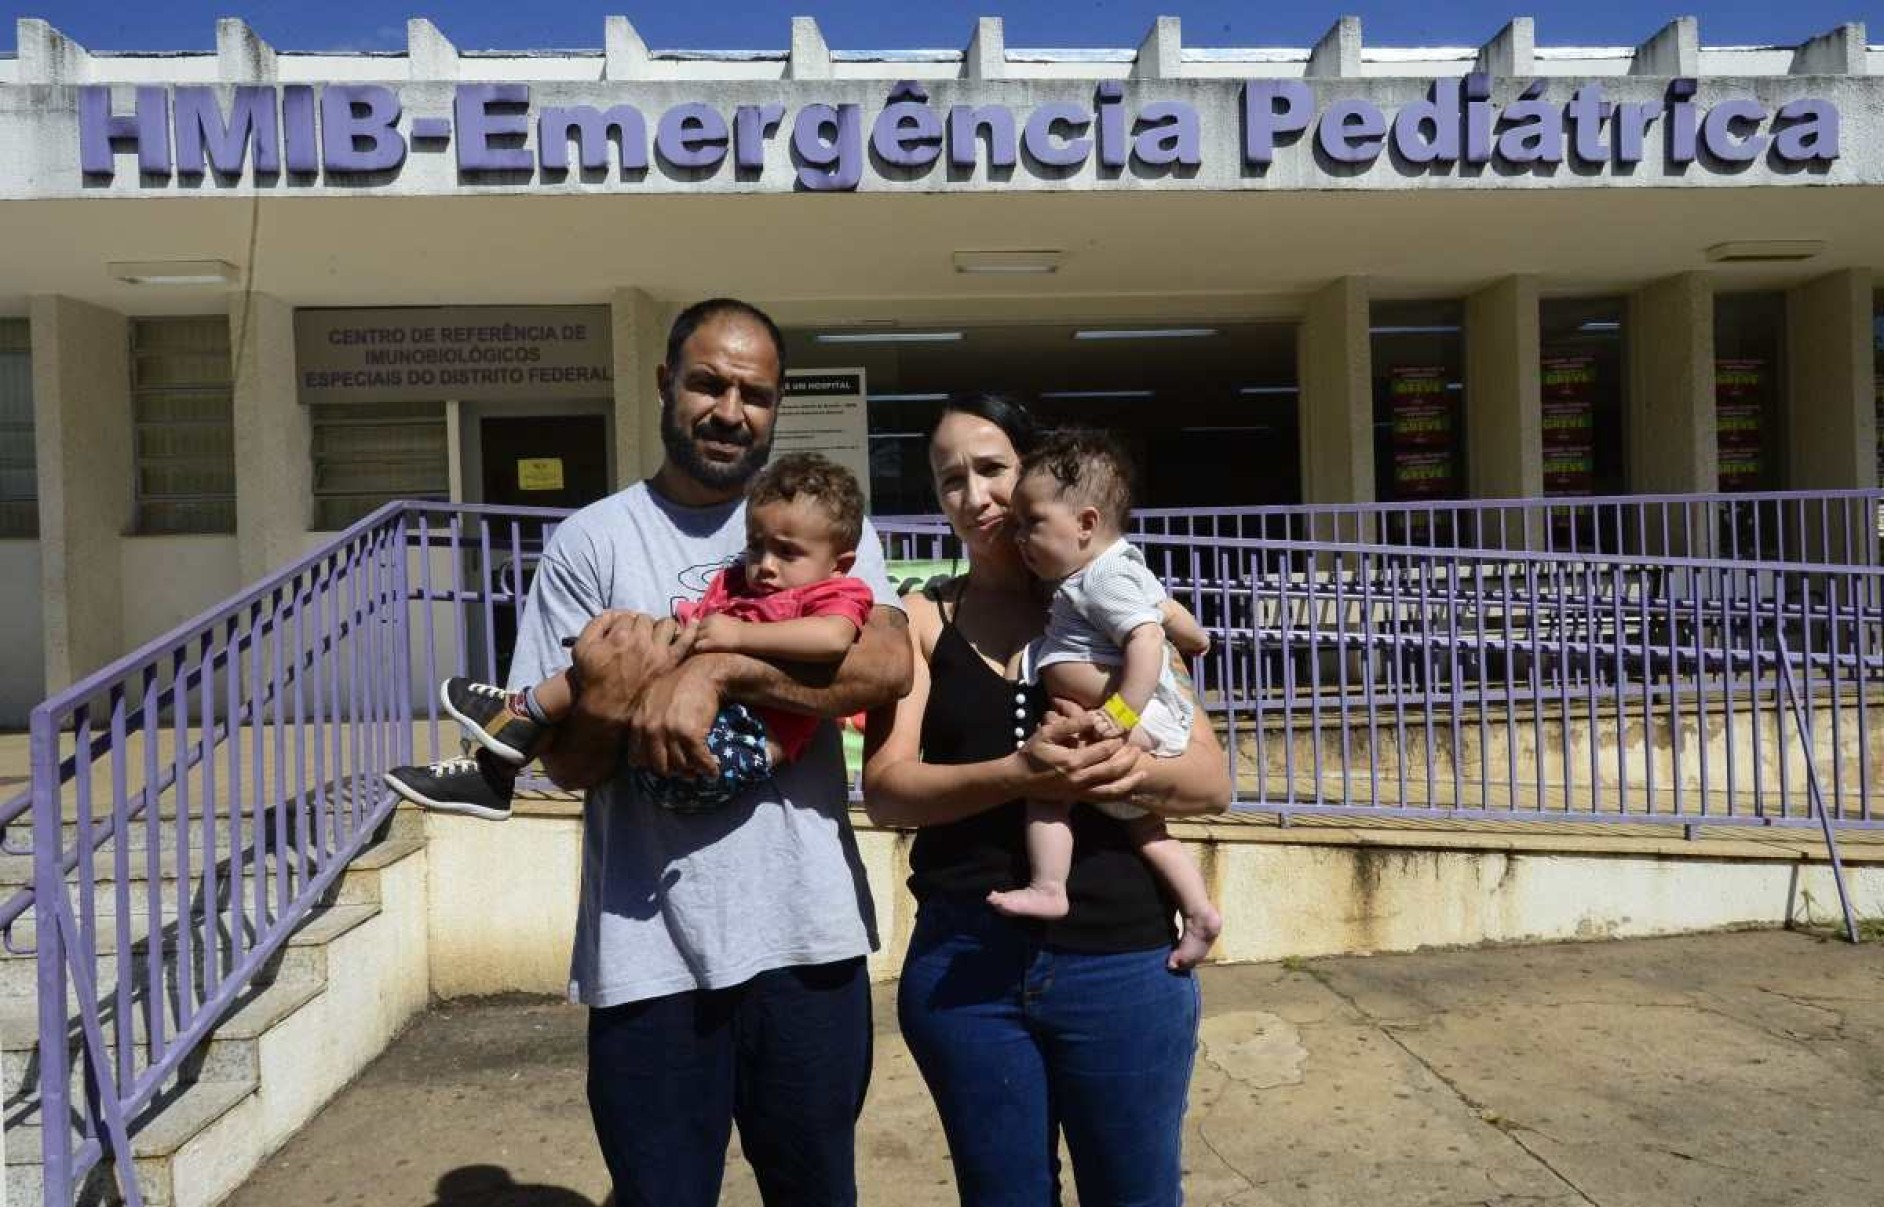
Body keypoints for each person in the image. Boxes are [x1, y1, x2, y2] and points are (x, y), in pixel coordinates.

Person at [498, 298, 913, 1207]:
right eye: (709, 383)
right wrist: (610, 699)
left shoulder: (817, 522)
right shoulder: (592, 542)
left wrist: (718, 668)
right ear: (665, 384)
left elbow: (882, 665)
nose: (730, 410)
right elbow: (566, 766)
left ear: (777, 405)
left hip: (804, 941)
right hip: (648, 952)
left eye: (754, 394)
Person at [862, 394, 1231, 1206]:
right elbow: (887, 789)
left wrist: (1121, 770)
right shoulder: (923, 617)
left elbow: (1212, 781)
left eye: (992, 469)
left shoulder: (1109, 593)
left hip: (1124, 963)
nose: (975, 496)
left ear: (1034, 477)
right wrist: (1019, 775)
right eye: (949, 478)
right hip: (968, 969)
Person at [382, 453, 877, 820]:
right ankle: (500, 757)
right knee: (626, 644)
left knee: (642, 650)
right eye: (755, 547)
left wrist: (738, 637)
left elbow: (833, 641)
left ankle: (518, 721)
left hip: (740, 745)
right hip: (668, 740)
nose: (765, 566)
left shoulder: (838, 593)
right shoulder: (733, 582)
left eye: (786, 553)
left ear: (839, 562)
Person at [987, 429, 1225, 971]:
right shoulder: (1119, 568)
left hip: (1135, 721)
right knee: (1145, 826)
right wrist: (1196, 637)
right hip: (1142, 722)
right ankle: (1200, 910)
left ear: (1086, 524)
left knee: (1047, 794)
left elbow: (1143, 640)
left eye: (1032, 524)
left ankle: (1049, 884)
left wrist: (1119, 717)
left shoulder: (1100, 579)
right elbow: (1165, 614)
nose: (1019, 537)